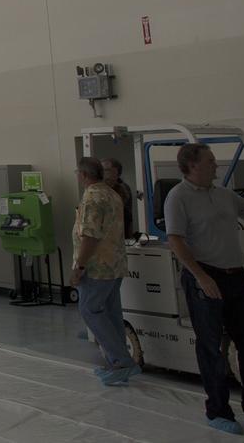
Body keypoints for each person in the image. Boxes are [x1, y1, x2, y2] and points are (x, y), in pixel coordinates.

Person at [164, 143, 244, 435]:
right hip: (205, 278)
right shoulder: (178, 197)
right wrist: (201, 277)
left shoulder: (223, 194)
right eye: (211, 161)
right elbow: (176, 241)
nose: (217, 165)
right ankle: (218, 410)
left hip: (236, 277)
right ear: (192, 165)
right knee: (212, 348)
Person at [71, 157, 137, 386]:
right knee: (111, 314)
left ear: (83, 175)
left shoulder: (92, 198)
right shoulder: (112, 194)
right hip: (115, 264)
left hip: (97, 267)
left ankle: (122, 360)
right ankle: (116, 363)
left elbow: (89, 236)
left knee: (89, 309)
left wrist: (79, 267)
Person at [101, 158, 135, 240]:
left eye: (106, 170)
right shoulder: (98, 188)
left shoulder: (123, 189)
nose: (102, 172)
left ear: (116, 172)